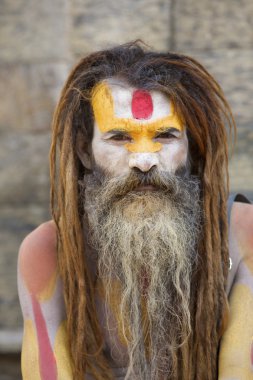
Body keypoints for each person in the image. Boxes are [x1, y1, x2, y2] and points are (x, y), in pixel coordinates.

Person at [18, 41, 253, 380]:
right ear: (85, 152)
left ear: (192, 147)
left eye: (166, 135)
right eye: (119, 138)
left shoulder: (243, 234)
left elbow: (239, 369)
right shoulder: (46, 252)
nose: (144, 160)